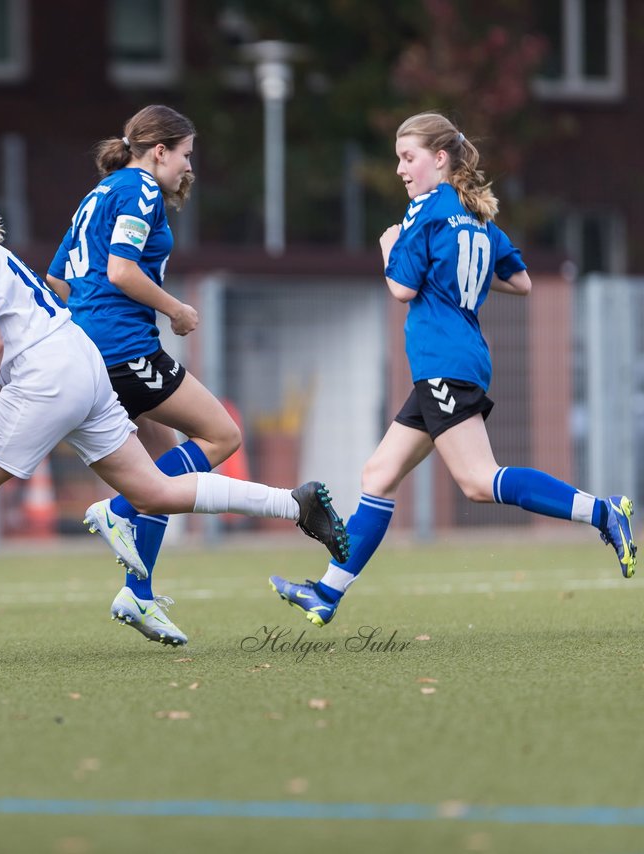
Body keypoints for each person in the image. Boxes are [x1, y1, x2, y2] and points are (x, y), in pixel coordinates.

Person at [0, 185, 348, 665]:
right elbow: (5, 325)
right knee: (153, 490)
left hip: (43, 378)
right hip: (80, 365)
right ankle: (295, 503)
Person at [270, 112, 636, 627]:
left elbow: (401, 289)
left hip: (444, 361)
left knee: (478, 481)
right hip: (456, 360)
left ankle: (602, 511)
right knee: (378, 475)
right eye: (399, 158)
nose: (400, 168)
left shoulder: (426, 210)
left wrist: (388, 248)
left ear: (439, 159)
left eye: (408, 157)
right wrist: (459, 278)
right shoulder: (475, 211)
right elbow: (523, 281)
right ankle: (326, 594)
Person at [45, 105, 350, 647]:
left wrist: (91, 323)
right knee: (222, 435)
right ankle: (116, 509)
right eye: (185, 154)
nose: (189, 166)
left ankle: (138, 593)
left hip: (92, 349)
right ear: (158, 151)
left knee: (162, 471)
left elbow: (58, 276)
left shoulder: (97, 193)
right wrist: (175, 310)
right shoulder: (140, 188)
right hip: (125, 348)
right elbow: (120, 270)